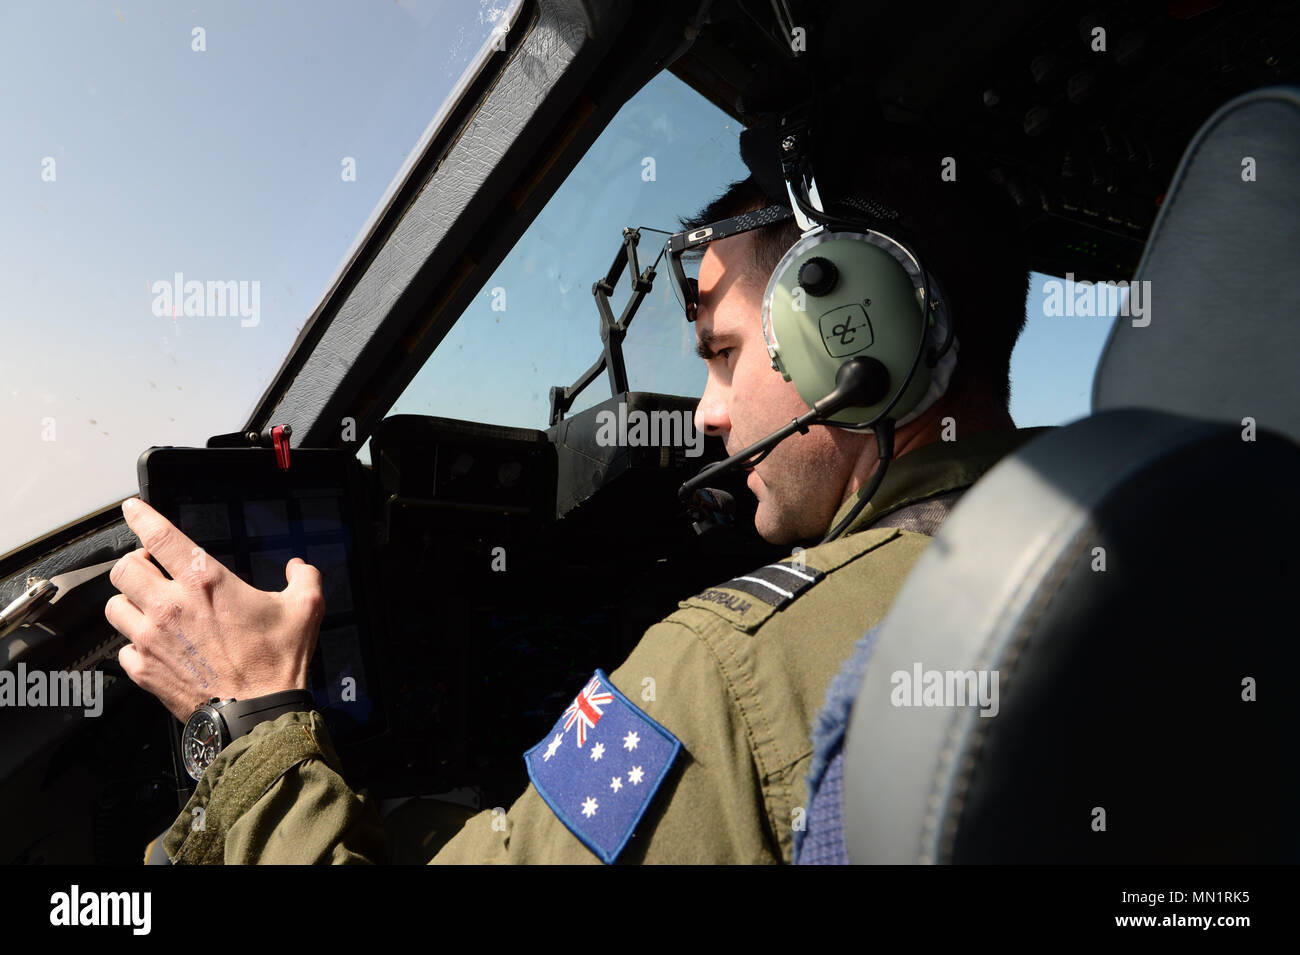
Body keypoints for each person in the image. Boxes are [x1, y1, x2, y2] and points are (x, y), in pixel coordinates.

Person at [109, 121, 1044, 864]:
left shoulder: (726, 669)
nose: (707, 417)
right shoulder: (1094, 530)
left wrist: (254, 718)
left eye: (721, 352)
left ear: (859, 335)